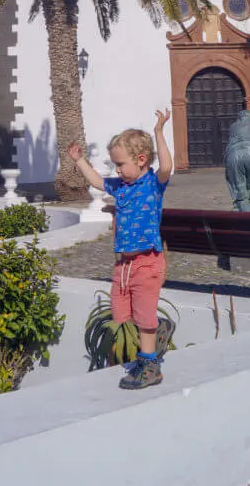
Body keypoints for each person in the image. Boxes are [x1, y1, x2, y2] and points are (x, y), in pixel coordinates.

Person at [69, 109, 173, 391]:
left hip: (147, 262)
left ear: (140, 161)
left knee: (143, 317)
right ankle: (158, 330)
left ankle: (150, 365)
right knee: (121, 314)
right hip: (123, 265)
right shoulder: (121, 186)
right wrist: (80, 160)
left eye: (120, 164)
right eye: (115, 165)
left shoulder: (153, 184)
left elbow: (165, 166)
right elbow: (96, 181)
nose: (116, 170)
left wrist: (159, 133)